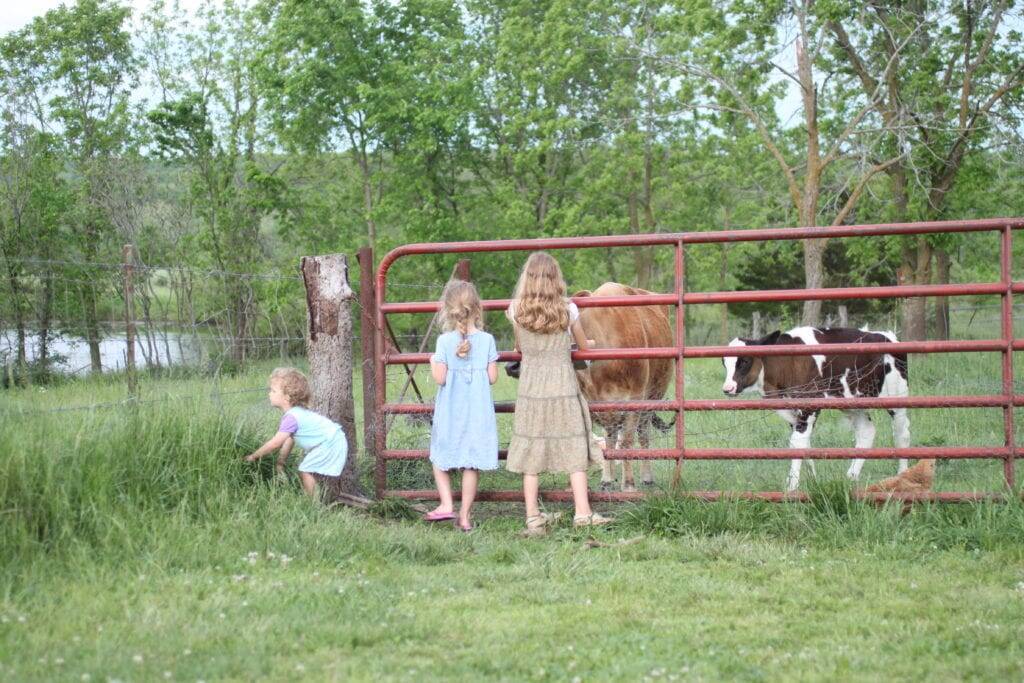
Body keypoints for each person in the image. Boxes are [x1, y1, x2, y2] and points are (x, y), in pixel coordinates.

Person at [506, 252, 610, 536]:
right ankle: (582, 513)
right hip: (563, 387)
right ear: (556, 279)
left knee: (531, 450)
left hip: (531, 390)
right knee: (574, 445)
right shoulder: (569, 309)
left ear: (527, 278)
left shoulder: (515, 309)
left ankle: (533, 519)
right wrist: (586, 342)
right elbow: (583, 348)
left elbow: (519, 348)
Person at [425, 280, 499, 532]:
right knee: (471, 463)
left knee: (439, 455)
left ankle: (446, 503)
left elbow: (440, 378)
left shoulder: (444, 342)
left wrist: (433, 360)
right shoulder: (488, 340)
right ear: (477, 309)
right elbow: (492, 377)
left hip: (450, 411)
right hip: (477, 411)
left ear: (447, 310)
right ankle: (465, 516)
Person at [244, 367, 347, 500]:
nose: (269, 393)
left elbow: (275, 443)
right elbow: (289, 439)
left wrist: (253, 456)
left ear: (286, 397)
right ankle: (319, 498)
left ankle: (313, 505)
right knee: (308, 469)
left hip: (329, 443)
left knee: (305, 470)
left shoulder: (292, 417)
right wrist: (281, 461)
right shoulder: (296, 413)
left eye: (273, 391)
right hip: (334, 439)